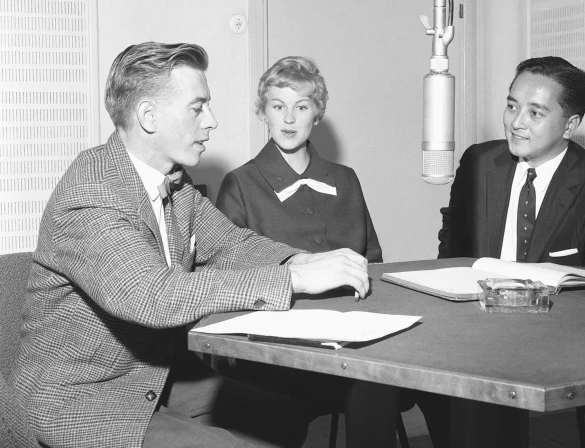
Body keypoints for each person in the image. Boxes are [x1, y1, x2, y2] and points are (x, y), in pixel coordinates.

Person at [10, 42, 371, 448]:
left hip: (158, 374)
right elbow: (152, 295)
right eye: (197, 107)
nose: (212, 121)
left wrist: (305, 259)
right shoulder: (92, 192)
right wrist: (292, 279)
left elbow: (231, 244)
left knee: (285, 418)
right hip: (83, 397)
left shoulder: (173, 182)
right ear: (149, 117)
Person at [435, 55, 585, 448]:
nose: (516, 122)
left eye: (535, 112)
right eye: (512, 105)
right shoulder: (478, 163)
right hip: (476, 333)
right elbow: (454, 248)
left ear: (570, 125)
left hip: (562, 339)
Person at [216, 56, 401, 448]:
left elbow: (375, 262)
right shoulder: (241, 184)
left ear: (316, 114)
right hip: (279, 346)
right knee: (368, 379)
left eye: (301, 107)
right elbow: (227, 278)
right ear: (262, 112)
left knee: (383, 378)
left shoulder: (346, 180)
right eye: (277, 106)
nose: (288, 118)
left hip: (355, 339)